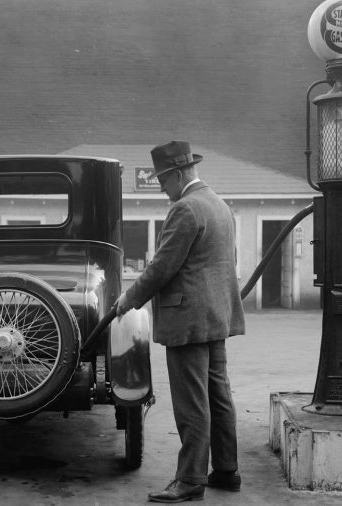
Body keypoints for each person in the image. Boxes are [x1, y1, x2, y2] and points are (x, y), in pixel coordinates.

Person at [116, 140, 245, 503]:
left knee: (192, 403)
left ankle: (189, 480)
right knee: (218, 395)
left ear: (176, 174)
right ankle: (225, 470)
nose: (161, 188)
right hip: (216, 316)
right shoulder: (218, 205)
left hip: (188, 320)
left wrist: (128, 299)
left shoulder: (186, 209)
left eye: (162, 180)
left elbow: (161, 268)